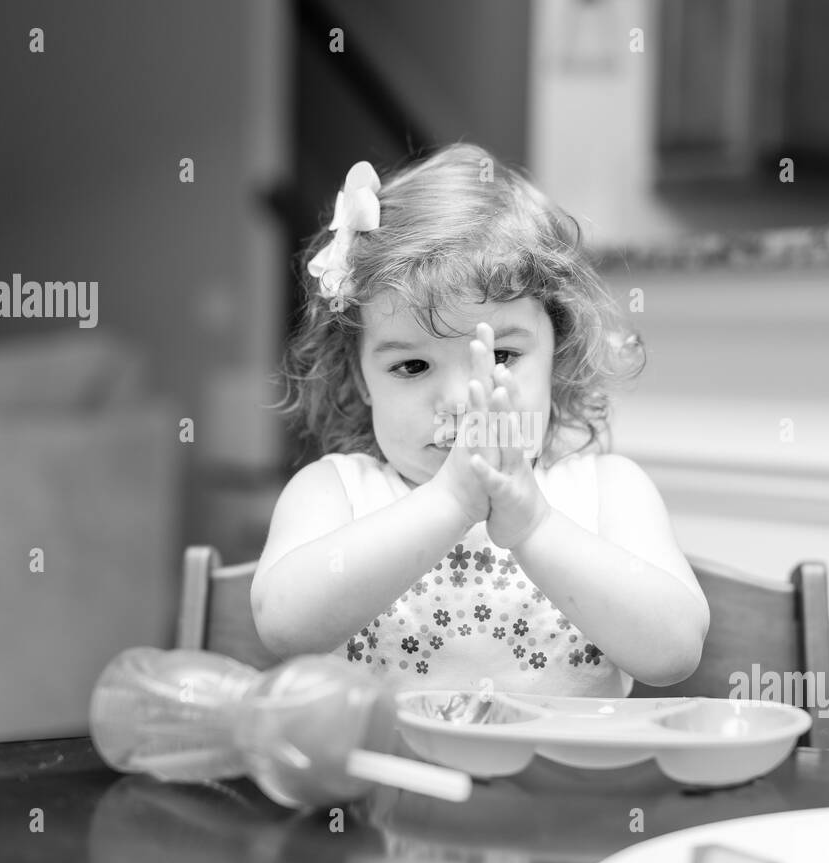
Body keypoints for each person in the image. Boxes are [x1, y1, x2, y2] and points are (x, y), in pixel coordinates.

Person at [252, 144, 708, 696]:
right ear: (359, 375)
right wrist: (449, 504)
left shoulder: (607, 491)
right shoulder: (336, 493)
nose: (463, 398)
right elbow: (283, 625)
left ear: (556, 355)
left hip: (565, 782)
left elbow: (675, 651)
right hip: (397, 782)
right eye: (412, 365)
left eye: (499, 356)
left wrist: (535, 526)